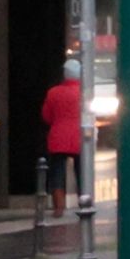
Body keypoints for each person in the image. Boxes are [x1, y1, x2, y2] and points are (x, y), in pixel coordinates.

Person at [40, 64, 86, 222]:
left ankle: (59, 207)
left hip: (58, 137)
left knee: (57, 173)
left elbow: (46, 116)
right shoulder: (84, 93)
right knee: (82, 172)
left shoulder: (53, 93)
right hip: (79, 137)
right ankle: (84, 203)